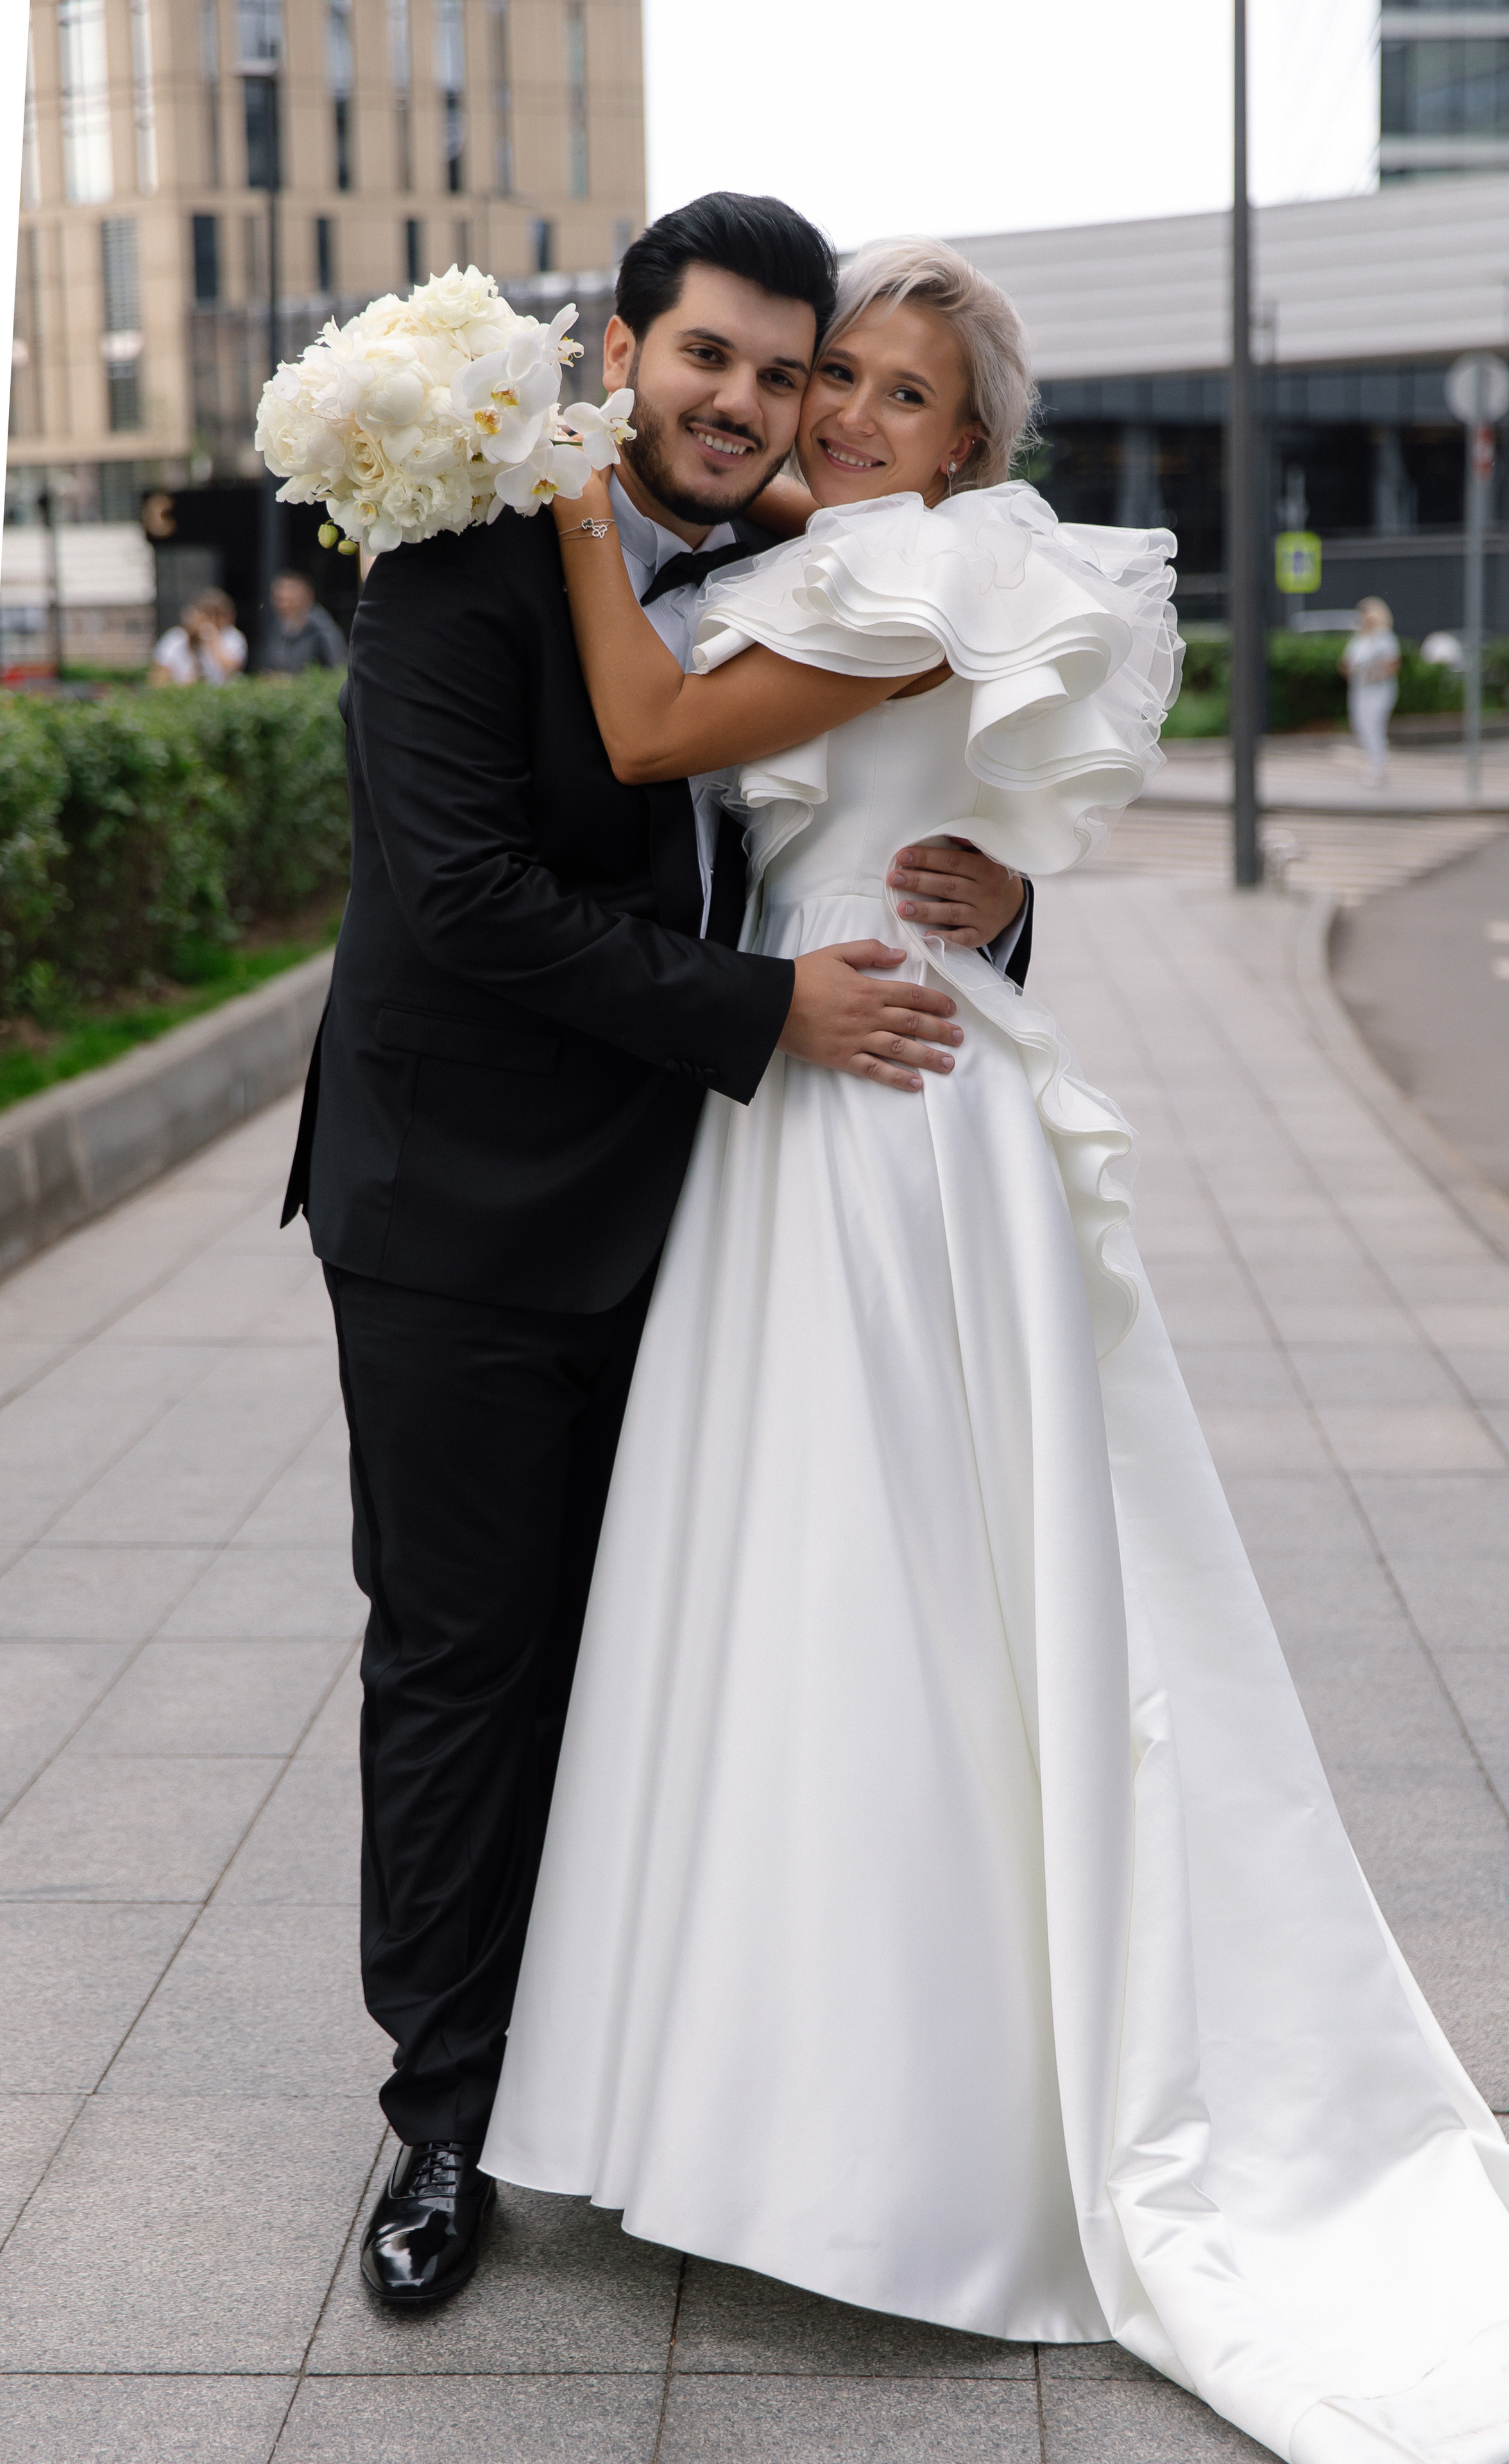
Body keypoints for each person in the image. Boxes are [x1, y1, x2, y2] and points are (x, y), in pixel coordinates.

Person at [481, 239, 1509, 2463]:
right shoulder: (875, 556)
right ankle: (781, 2094)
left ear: (974, 447)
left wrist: (546, 471)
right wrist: (991, 890)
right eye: (837, 383)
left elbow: (646, 732)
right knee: (838, 1582)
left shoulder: (922, 572)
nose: (840, 421)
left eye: (900, 399)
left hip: (880, 1120)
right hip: (836, 1089)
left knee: (889, 1585)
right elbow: (923, 805)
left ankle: (902, 2130)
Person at [279, 196, 1029, 2312]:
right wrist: (764, 1020)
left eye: (785, 374)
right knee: (462, 1661)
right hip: (465, 1217)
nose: (751, 404)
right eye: (711, 358)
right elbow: (466, 897)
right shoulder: (454, 555)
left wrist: (981, 891)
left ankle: (625, 2080)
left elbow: (855, 810)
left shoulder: (805, 558)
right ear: (623, 352)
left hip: (715, 1224)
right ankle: (440, 2120)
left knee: (662, 1662)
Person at [1338, 596, 1399, 785]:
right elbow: (1346, 663)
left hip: (1378, 690)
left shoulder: (1384, 638)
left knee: (1374, 726)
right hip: (1360, 689)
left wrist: (1376, 672)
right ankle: (1373, 761)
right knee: (1361, 725)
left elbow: (1393, 664)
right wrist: (1350, 670)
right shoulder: (1359, 639)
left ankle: (1378, 766)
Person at [148, 586, 246, 686]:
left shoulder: (232, 637)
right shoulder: (175, 638)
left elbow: (230, 669)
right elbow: (158, 680)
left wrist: (211, 638)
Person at [262, 568, 346, 676]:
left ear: (308, 596)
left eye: (289, 600)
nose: (284, 605)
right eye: (279, 600)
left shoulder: (324, 630)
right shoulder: (276, 629)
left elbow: (339, 669)